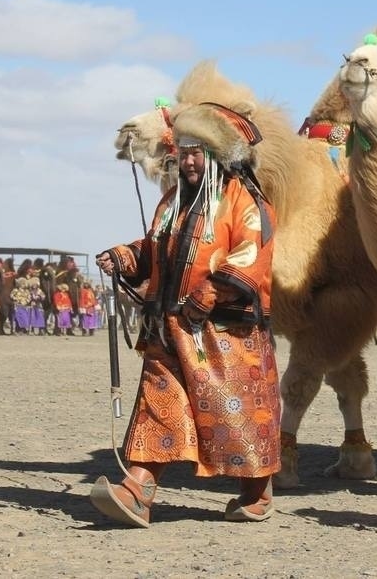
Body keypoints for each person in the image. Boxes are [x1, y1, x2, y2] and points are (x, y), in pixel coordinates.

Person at [91, 102, 280, 527]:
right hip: (169, 327)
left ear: (219, 155)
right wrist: (124, 257)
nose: (188, 161)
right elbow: (157, 247)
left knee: (234, 417)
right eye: (184, 152)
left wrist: (211, 291)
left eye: (197, 152)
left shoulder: (247, 203)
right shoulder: (172, 203)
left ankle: (257, 491)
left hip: (226, 335)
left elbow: (251, 254)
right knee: (158, 406)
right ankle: (137, 491)